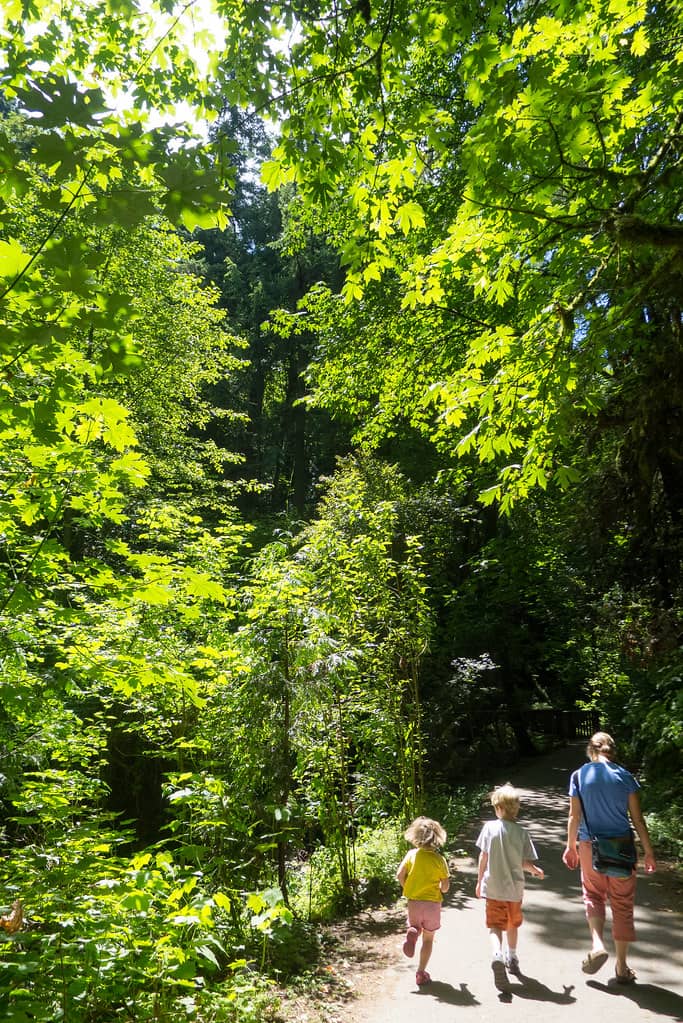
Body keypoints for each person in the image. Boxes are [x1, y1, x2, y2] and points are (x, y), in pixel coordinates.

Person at [562, 731, 656, 984]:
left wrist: (570, 846)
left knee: (592, 895)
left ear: (591, 750)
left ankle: (597, 945)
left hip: (588, 845)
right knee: (622, 904)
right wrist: (648, 851)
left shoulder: (580, 776)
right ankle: (622, 967)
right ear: (612, 751)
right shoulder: (626, 777)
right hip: (622, 849)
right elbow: (637, 819)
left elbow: (574, 816)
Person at [476, 783, 544, 991]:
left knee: (495, 926)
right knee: (512, 924)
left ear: (499, 809)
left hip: (493, 887)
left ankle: (497, 954)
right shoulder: (522, 833)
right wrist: (535, 870)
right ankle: (512, 957)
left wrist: (479, 881)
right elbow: (523, 862)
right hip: (514, 891)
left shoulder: (489, 828)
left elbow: (483, 856)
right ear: (515, 809)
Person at [396, 816, 450, 987]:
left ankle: (413, 931)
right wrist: (441, 888)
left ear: (415, 836)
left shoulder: (412, 855)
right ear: (437, 838)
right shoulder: (439, 860)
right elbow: (445, 887)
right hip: (432, 903)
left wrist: (408, 888)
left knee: (416, 926)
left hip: (414, 902)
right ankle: (420, 973)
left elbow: (399, 875)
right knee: (428, 939)